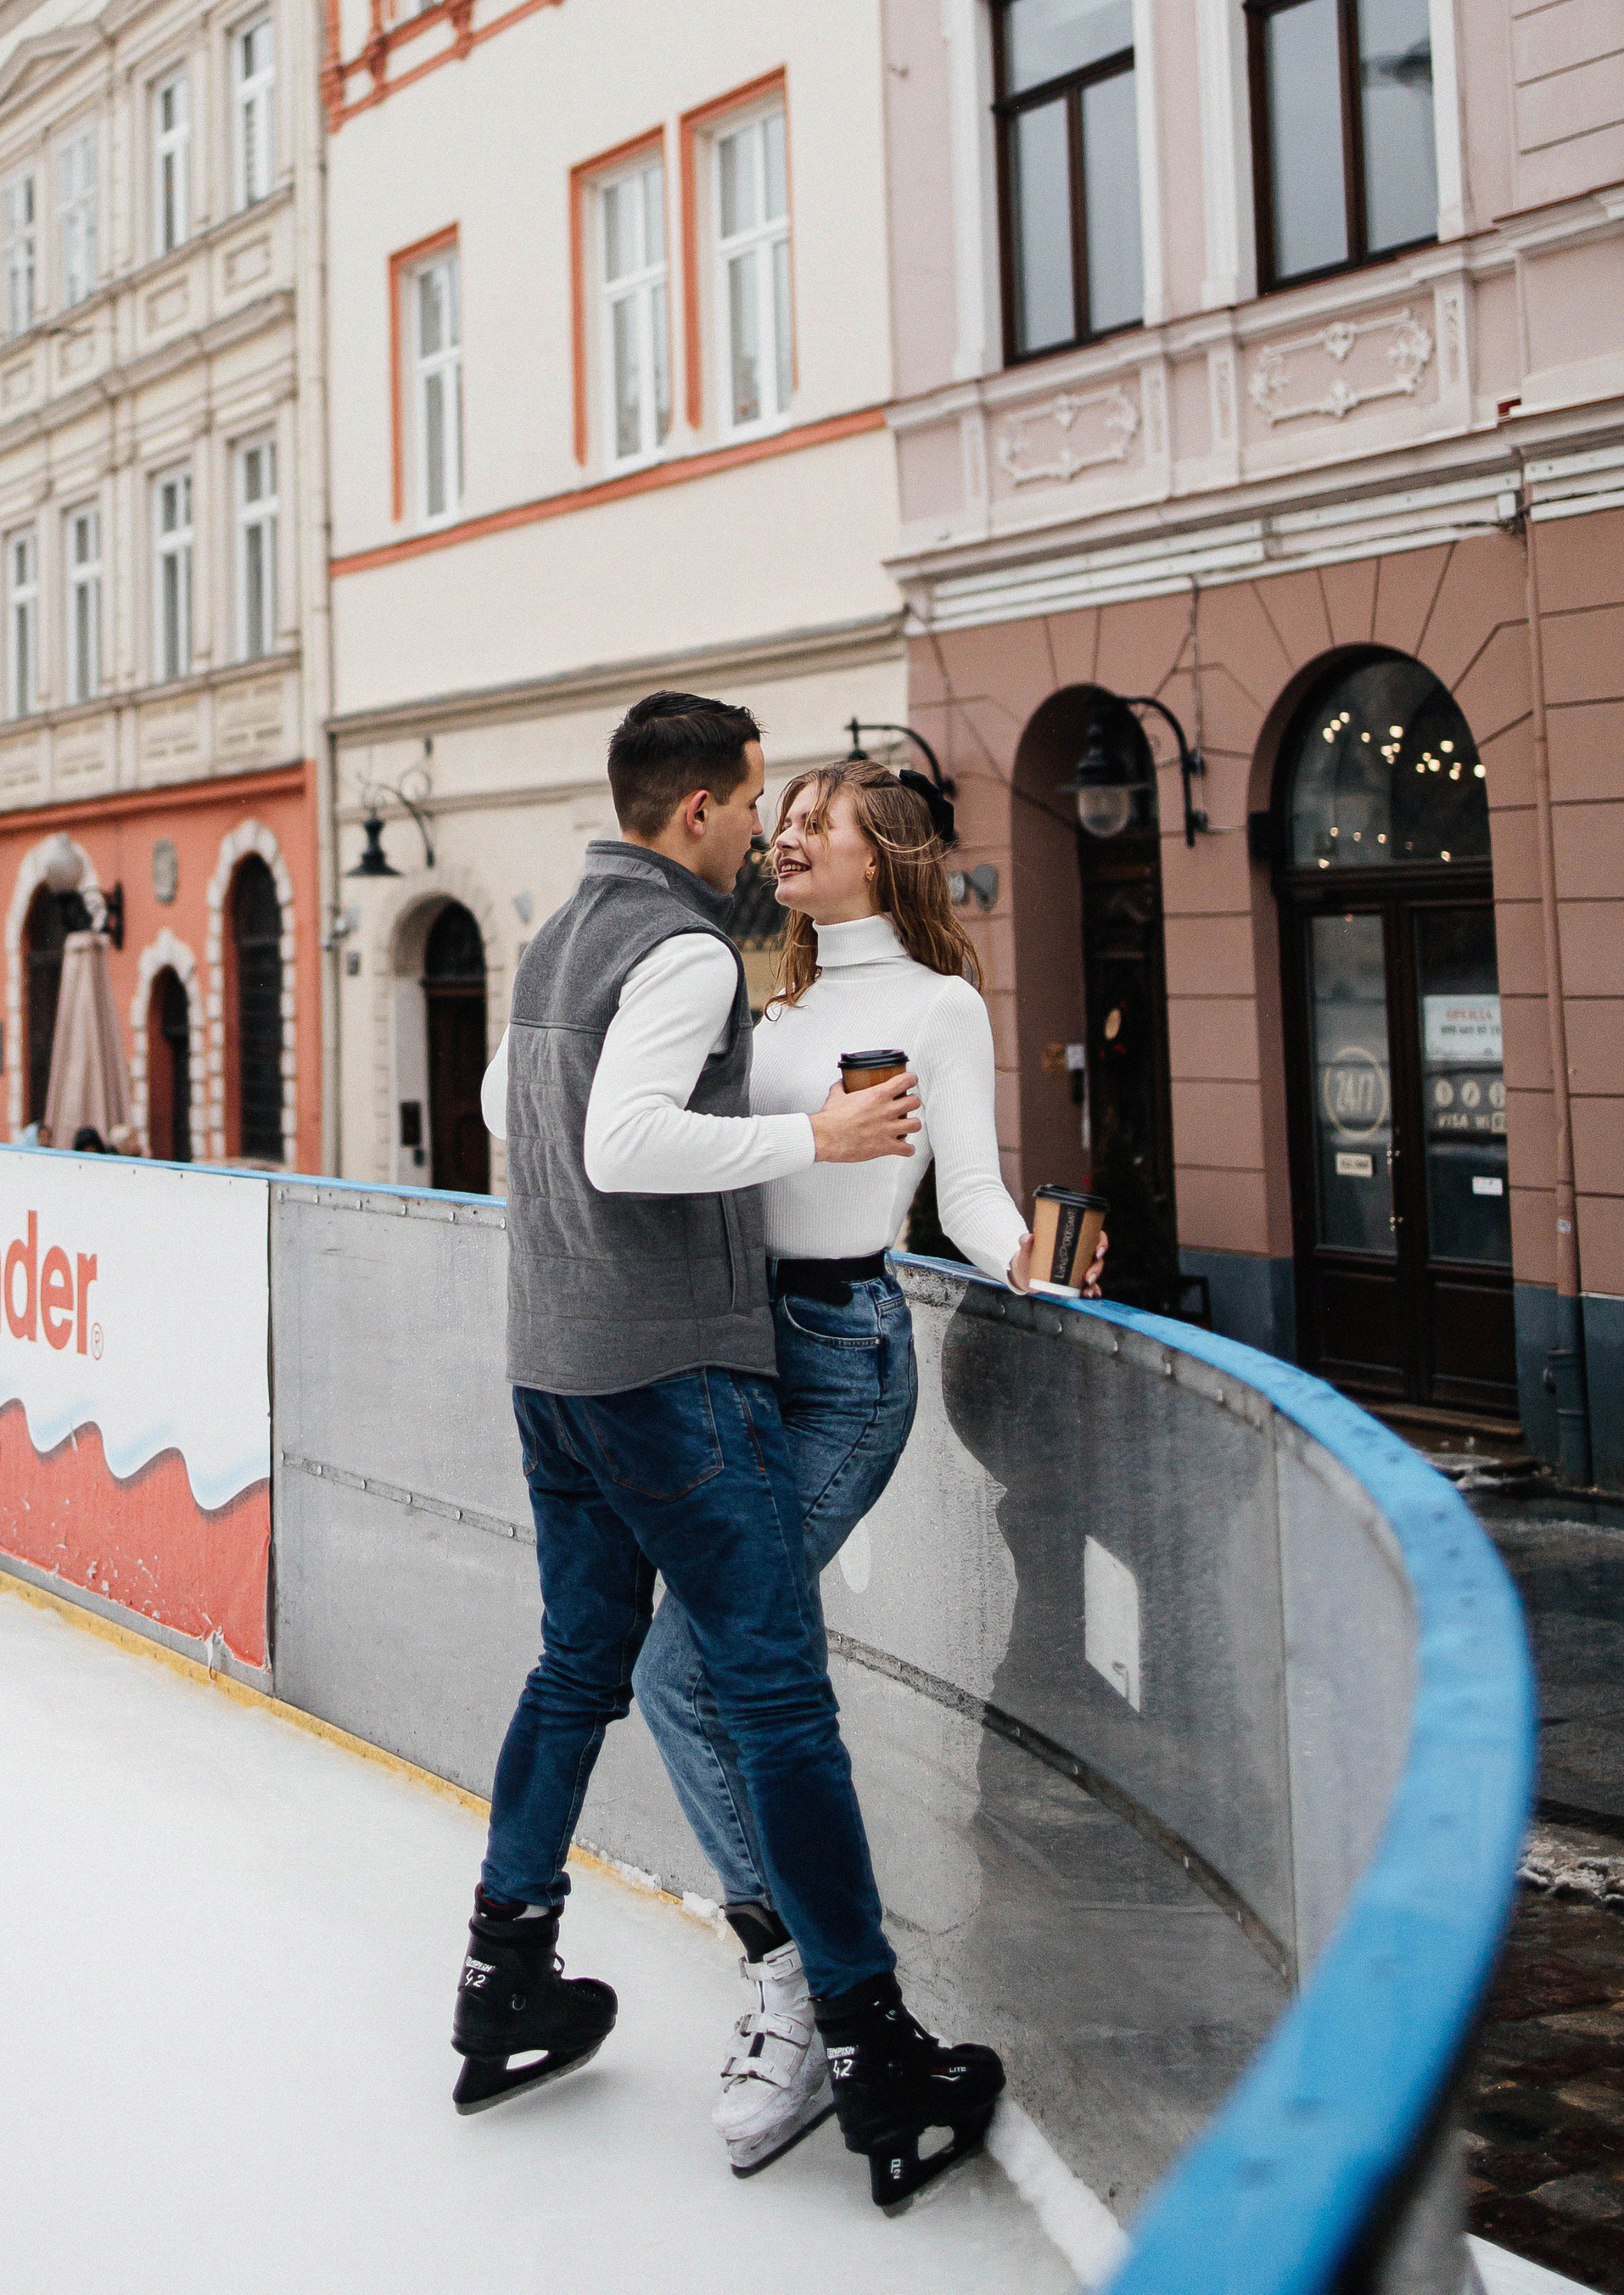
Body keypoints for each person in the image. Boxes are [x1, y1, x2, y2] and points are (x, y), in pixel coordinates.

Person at [451, 692, 1007, 2211]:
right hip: (676, 1374)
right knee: (768, 1695)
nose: (769, 830)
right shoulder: (693, 949)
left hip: (555, 1368)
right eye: (759, 802)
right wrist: (804, 1143)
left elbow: (516, 1107)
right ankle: (867, 2045)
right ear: (698, 809)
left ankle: (507, 1974)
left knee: (583, 1671)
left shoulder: (565, 929)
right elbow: (622, 1145)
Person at [636, 754, 1070, 2176]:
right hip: (740, 1359)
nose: (787, 837)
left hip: (844, 1362)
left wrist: (1036, 1264)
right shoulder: (781, 1005)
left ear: (881, 852)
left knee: (688, 1668)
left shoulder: (939, 1006)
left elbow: (973, 1192)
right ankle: (816, 1986)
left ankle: (796, 1986)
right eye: (788, 820)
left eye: (813, 822)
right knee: (723, 1675)